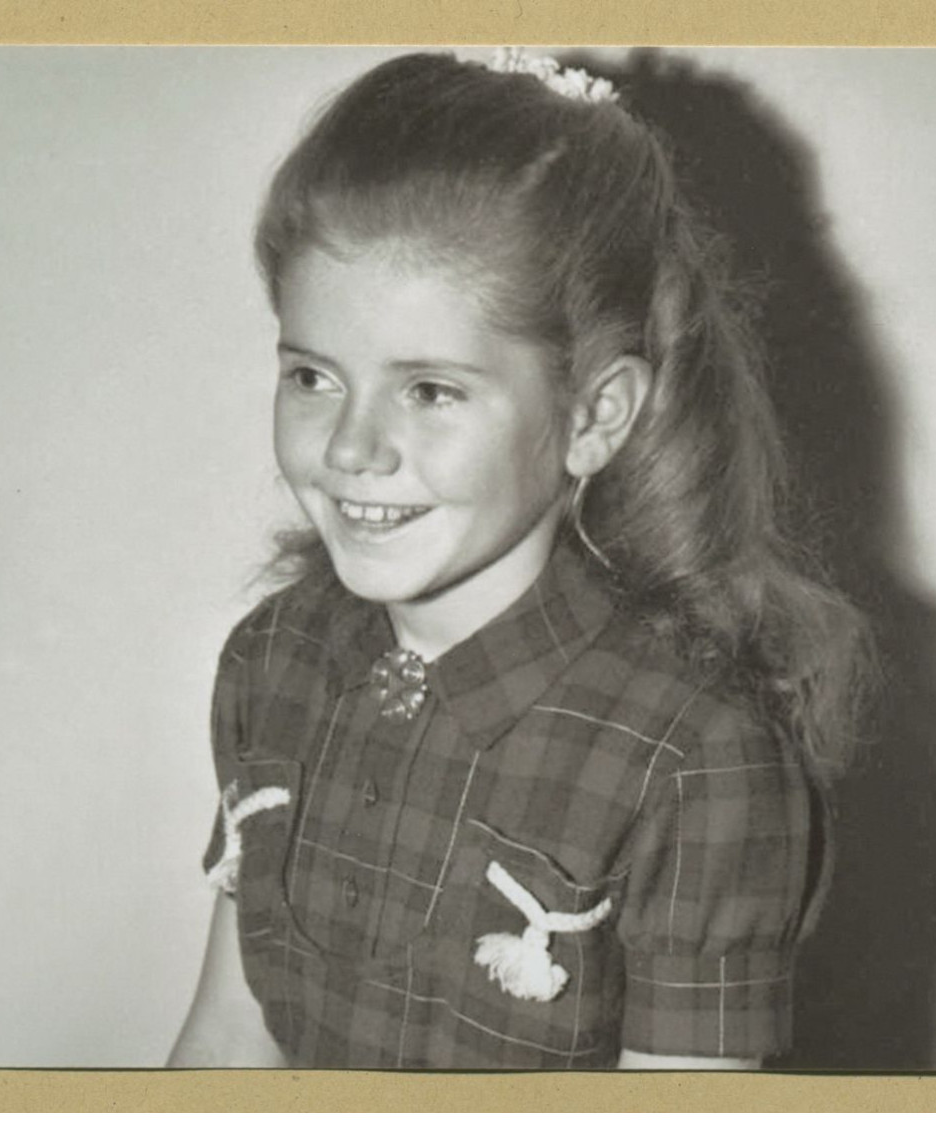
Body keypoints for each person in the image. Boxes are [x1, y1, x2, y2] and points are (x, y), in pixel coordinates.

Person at [167, 48, 872, 1070]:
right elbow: (231, 1039)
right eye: (314, 376)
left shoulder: (700, 759)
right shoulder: (269, 660)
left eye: (430, 390)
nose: (350, 448)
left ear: (593, 418)